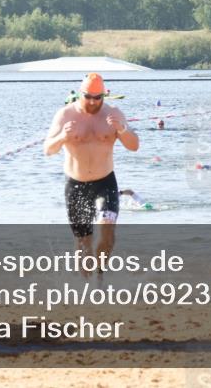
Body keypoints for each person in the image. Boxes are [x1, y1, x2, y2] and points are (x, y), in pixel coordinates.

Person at [44, 73, 139, 274]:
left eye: (98, 97)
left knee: (107, 232)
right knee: (83, 243)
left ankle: (100, 276)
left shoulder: (114, 114)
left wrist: (122, 130)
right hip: (75, 185)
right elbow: (48, 150)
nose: (93, 102)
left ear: (104, 95)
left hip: (105, 183)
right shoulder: (65, 115)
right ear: (81, 94)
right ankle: (85, 284)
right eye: (88, 97)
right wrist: (62, 137)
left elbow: (134, 146)